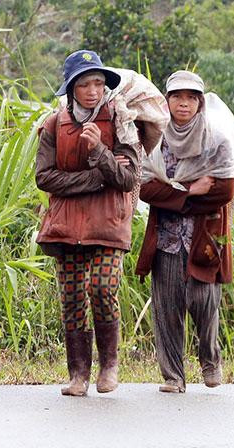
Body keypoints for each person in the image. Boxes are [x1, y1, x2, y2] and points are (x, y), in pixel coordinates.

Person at [35, 49, 140, 396]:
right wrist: (95, 178)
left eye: (98, 82)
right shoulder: (54, 123)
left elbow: (127, 179)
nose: (93, 90)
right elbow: (45, 178)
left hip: (108, 223)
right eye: (84, 84)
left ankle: (109, 366)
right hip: (66, 227)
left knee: (102, 288)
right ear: (71, 88)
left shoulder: (121, 119)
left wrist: (99, 151)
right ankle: (78, 374)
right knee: (72, 298)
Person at [135, 70, 234, 392]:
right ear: (167, 101)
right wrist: (191, 192)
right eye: (177, 97)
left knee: (205, 302)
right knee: (167, 308)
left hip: (204, 237)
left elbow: (224, 191)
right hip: (166, 238)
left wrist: (175, 199)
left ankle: (210, 360)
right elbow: (145, 189)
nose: (184, 103)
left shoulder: (216, 141)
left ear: (200, 103)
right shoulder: (155, 141)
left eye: (191, 98)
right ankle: (173, 376)